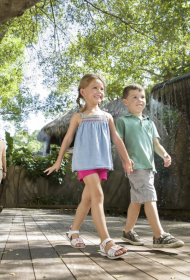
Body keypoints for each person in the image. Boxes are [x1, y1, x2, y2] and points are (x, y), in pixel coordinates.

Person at [44, 74, 133, 259]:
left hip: (101, 162)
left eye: (102, 89)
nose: (99, 91)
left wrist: (126, 159)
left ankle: (73, 231)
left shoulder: (107, 116)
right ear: (83, 92)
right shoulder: (79, 116)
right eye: (95, 88)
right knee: (98, 195)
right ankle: (106, 242)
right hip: (84, 161)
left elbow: (116, 139)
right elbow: (68, 138)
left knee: (87, 199)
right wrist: (58, 160)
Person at [117, 83, 184, 248]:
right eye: (134, 97)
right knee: (149, 197)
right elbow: (119, 143)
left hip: (148, 167)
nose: (139, 100)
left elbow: (156, 145)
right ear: (125, 102)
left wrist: (165, 154)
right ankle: (159, 235)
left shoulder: (149, 122)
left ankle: (128, 232)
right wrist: (125, 161)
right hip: (135, 166)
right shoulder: (123, 121)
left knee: (136, 200)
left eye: (142, 97)